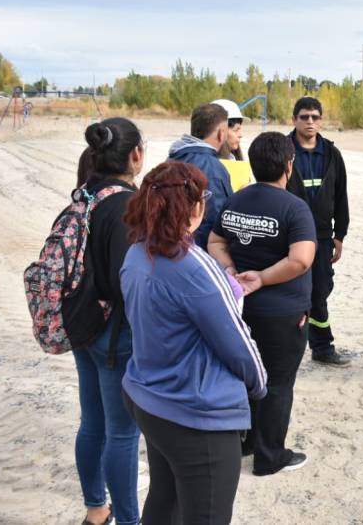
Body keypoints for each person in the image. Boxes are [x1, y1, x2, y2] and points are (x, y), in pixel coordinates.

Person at [120, 161, 267, 524]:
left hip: (150, 398)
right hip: (196, 415)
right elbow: (238, 345)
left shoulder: (138, 251)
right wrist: (260, 386)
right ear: (196, 207)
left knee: (164, 499)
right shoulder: (192, 265)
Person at [208, 132, 317, 476]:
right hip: (283, 312)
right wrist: (263, 278)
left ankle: (247, 441)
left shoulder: (236, 200)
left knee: (249, 377)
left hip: (242, 309)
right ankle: (270, 457)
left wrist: (232, 271)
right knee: (279, 383)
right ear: (289, 165)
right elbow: (301, 260)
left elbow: (215, 239)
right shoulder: (294, 207)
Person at [72, 118, 144, 525]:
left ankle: (96, 510)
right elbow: (126, 283)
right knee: (122, 434)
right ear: (135, 154)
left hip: (83, 324)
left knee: (92, 423)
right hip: (115, 335)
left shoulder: (84, 195)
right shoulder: (125, 205)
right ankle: (129, 520)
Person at [285, 97, 352, 367]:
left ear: (321, 120)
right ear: (294, 120)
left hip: (323, 236)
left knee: (320, 289)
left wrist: (340, 235)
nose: (310, 122)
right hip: (290, 236)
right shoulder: (284, 151)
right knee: (290, 290)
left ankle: (322, 348)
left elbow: (341, 195)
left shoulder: (332, 154)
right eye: (304, 117)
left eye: (314, 117)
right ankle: (289, 348)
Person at [167, 102, 233, 249]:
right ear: (221, 133)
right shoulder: (214, 169)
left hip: (169, 245)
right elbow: (218, 220)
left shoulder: (171, 160)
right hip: (198, 251)